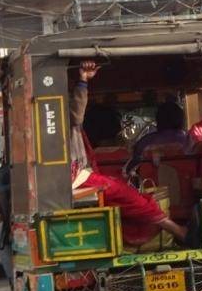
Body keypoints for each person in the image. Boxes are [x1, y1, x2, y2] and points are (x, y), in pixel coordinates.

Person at [69, 61, 186, 245]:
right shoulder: (189, 141)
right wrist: (82, 82)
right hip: (76, 179)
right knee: (123, 191)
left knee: (122, 191)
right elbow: (76, 115)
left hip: (81, 176)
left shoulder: (145, 143)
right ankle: (175, 229)